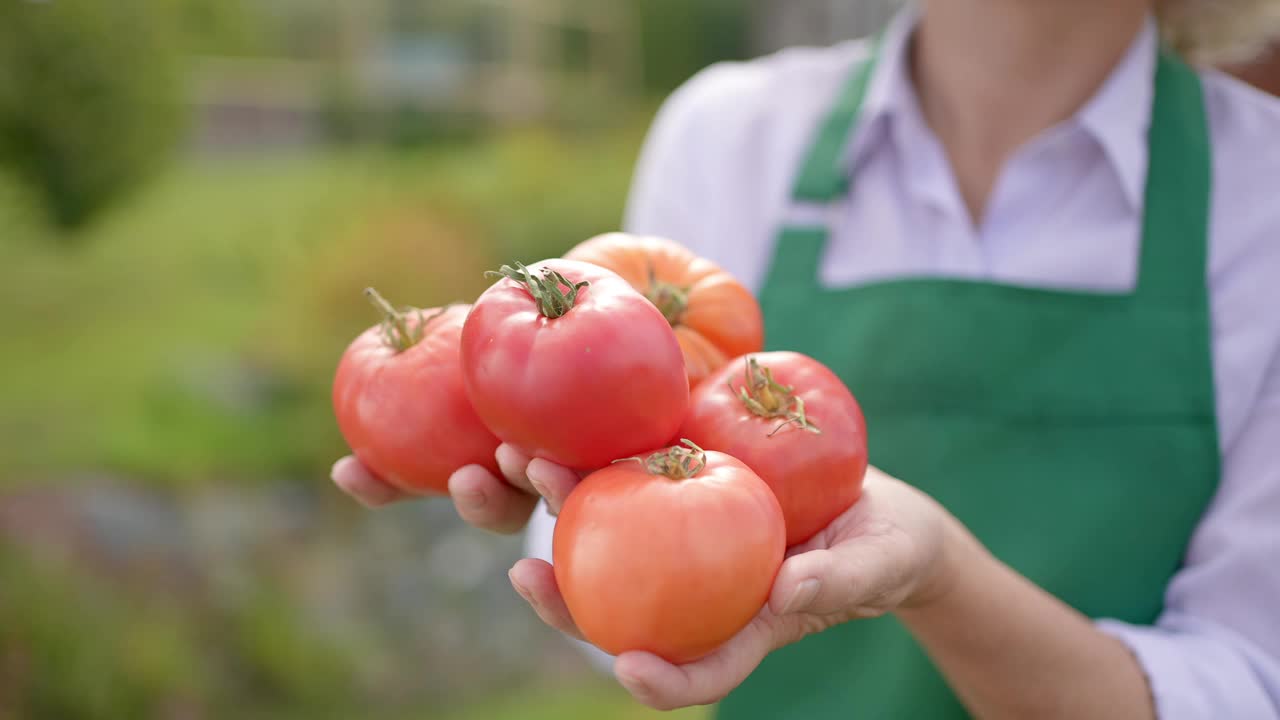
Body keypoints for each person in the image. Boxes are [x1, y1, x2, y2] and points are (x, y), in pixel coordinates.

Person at [332, 0, 1280, 716]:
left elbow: (1246, 684)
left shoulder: (1261, 196)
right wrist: (567, 482)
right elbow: (621, 598)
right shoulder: (732, 137)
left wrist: (944, 579)